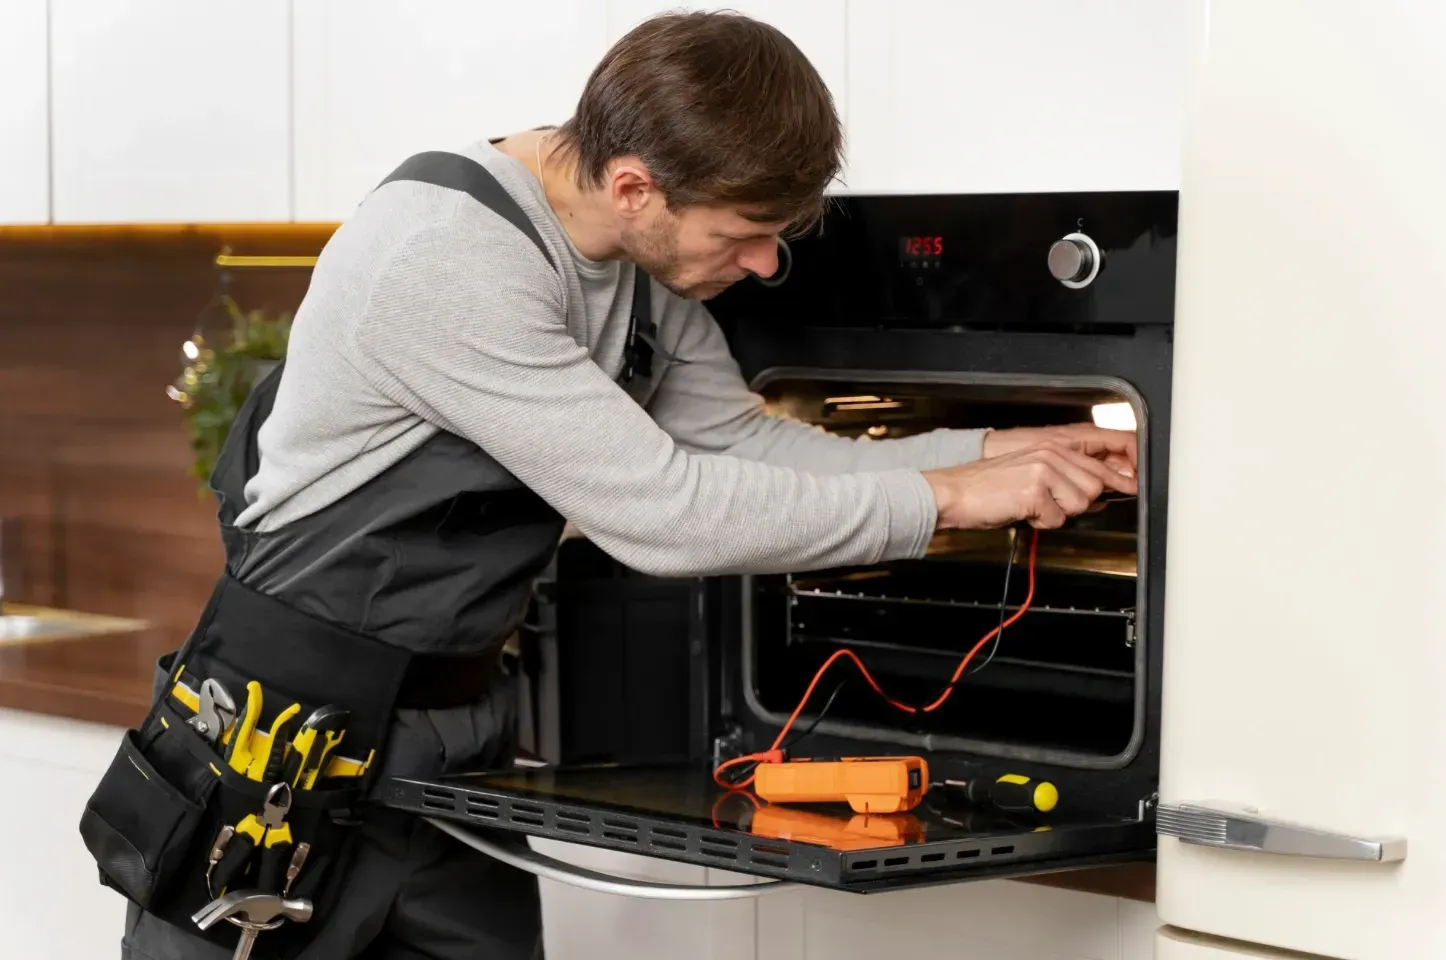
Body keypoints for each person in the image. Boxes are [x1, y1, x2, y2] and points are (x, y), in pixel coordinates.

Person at [119, 10, 1134, 960]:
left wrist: (999, 448)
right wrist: (951, 501)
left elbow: (744, 449)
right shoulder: (446, 259)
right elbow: (667, 513)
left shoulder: (639, 268)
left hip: (451, 752)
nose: (767, 262)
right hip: (283, 764)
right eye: (741, 232)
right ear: (638, 186)